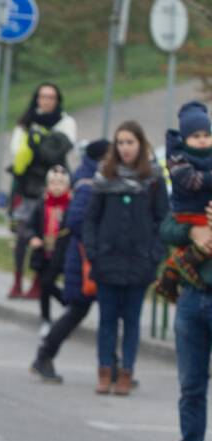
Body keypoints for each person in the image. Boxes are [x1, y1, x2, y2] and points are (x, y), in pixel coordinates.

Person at [83, 120, 167, 396]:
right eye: (120, 143)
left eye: (130, 142)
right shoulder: (104, 178)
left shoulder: (152, 179)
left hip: (139, 262)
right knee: (107, 320)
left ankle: (126, 373)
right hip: (107, 261)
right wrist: (94, 252)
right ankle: (105, 371)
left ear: (140, 145)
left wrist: (154, 254)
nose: (125, 148)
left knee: (132, 320)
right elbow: (91, 220)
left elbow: (162, 221)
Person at [30, 139, 110, 383]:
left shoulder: (95, 178)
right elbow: (76, 222)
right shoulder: (88, 183)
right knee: (76, 311)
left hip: (91, 260)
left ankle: (113, 366)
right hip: (84, 261)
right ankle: (44, 355)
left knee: (102, 313)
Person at [155, 200, 212, 441]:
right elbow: (166, 228)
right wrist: (194, 230)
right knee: (191, 388)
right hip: (193, 296)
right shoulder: (194, 191)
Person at [8, 82, 77, 298]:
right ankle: (17, 280)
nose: (46, 101)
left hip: (53, 186)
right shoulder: (26, 121)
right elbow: (16, 150)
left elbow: (56, 153)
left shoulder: (65, 123)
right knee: (22, 233)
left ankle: (38, 282)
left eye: (51, 97)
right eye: (42, 96)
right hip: (27, 186)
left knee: (48, 234)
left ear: (57, 101)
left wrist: (38, 145)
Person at [156, 102, 212, 303]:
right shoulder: (178, 157)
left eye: (206, 135)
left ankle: (173, 268)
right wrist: (190, 231)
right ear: (185, 138)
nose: (203, 141)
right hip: (189, 212)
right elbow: (191, 180)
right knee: (207, 237)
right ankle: (176, 268)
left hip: (202, 212)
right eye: (196, 136)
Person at [26, 166, 71, 337]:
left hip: (62, 253)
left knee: (47, 282)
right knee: (44, 287)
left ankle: (67, 303)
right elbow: (30, 226)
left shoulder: (70, 205)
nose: (56, 186)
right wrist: (33, 238)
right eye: (53, 182)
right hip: (43, 251)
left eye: (60, 182)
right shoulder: (42, 203)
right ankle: (45, 318)